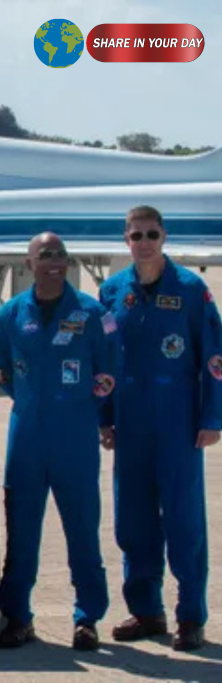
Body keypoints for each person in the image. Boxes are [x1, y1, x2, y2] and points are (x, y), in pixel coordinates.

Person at [98, 205, 221, 651]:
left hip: (177, 421)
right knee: (133, 521)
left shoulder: (191, 290)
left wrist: (212, 418)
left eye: (151, 234)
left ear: (164, 236)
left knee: (184, 521)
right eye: (136, 236)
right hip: (130, 420)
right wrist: (104, 417)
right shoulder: (112, 292)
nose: (144, 243)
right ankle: (146, 610)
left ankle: (190, 616)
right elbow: (103, 360)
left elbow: (215, 358)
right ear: (126, 240)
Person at [0, 232, 116, 650]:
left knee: (82, 530)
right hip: (27, 437)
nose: (54, 261)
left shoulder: (92, 314)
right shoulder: (11, 314)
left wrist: (82, 412)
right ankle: (18, 616)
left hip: (74, 439)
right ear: (29, 264)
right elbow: (1, 369)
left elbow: (108, 372)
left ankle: (87, 617)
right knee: (21, 532)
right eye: (45, 255)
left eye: (60, 254)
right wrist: (33, 402)